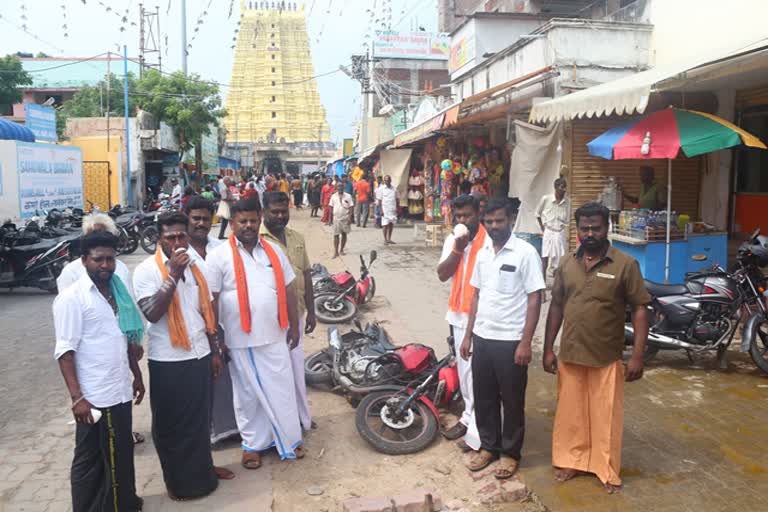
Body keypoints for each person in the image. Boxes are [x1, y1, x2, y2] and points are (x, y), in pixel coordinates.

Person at [542, 201, 650, 494]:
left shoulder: (625, 264)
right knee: (571, 414)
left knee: (606, 416)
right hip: (571, 352)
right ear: (578, 230)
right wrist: (548, 348)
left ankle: (605, 468)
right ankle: (571, 460)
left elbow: (640, 309)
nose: (590, 233)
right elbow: (556, 306)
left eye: (596, 228)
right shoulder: (566, 263)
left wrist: (638, 355)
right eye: (585, 228)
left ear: (607, 228)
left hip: (606, 356)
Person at [133, 212, 235, 501]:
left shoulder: (196, 262)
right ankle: (179, 485)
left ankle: (205, 472)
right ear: (159, 239)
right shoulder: (146, 270)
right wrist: (173, 275)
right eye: (171, 237)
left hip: (201, 353)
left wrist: (215, 349)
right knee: (171, 426)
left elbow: (206, 309)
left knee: (201, 420)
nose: (178, 242)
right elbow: (152, 312)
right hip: (169, 360)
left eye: (182, 236)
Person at [206, 198, 304, 469]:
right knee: (248, 395)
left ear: (260, 219)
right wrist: (216, 338)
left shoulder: (273, 251)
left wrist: (294, 325)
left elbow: (289, 289)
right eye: (243, 221)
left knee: (282, 389)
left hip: (276, 334)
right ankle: (253, 445)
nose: (248, 226)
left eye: (253, 220)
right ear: (233, 223)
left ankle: (288, 439)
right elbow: (211, 299)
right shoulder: (218, 257)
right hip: (240, 339)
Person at [53, 231, 145, 512]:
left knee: (121, 455)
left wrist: (137, 375)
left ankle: (124, 504)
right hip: (94, 397)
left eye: (110, 259)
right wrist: (77, 398)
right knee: (91, 458)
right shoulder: (72, 298)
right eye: (98, 260)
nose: (105, 265)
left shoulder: (116, 291)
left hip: (118, 390)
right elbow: (65, 351)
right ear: (84, 261)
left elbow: (123, 340)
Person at [460, 199, 544, 478]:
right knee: (484, 398)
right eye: (489, 221)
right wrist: (468, 336)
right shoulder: (482, 252)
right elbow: (476, 296)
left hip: (510, 341)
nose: (494, 226)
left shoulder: (526, 253)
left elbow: (535, 299)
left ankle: (510, 453)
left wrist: (525, 342)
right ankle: (488, 447)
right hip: (482, 338)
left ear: (511, 220)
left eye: (500, 221)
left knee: (511, 400)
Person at [260, 192, 316, 431]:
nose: (281, 216)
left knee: (295, 368)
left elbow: (306, 274)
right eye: (275, 212)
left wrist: (312, 312)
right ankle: (281, 423)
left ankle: (302, 417)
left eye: (284, 211)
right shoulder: (258, 241)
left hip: (298, 314)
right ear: (265, 212)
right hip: (272, 319)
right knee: (276, 373)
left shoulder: (297, 237)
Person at [436, 194, 485, 453]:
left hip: (484, 318)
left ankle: (478, 429)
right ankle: (468, 417)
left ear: (479, 212)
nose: (463, 220)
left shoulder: (490, 240)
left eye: (468, 215)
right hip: (458, 315)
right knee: (465, 373)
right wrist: (458, 247)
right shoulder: (453, 241)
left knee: (479, 375)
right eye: (459, 217)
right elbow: (443, 274)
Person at [536, 178, 570, 279]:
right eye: (562, 187)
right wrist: (543, 229)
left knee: (560, 259)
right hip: (548, 231)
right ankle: (543, 281)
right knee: (545, 256)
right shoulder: (546, 199)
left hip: (560, 232)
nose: (564, 189)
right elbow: (537, 214)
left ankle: (557, 282)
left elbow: (567, 219)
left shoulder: (567, 202)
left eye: (565, 187)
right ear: (555, 188)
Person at [329, 181, 354, 258]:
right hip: (336, 218)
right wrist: (329, 219)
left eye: (341, 186)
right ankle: (336, 251)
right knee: (336, 235)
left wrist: (350, 217)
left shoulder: (348, 196)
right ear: (336, 187)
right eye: (338, 186)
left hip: (345, 218)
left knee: (344, 234)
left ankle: (342, 250)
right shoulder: (333, 196)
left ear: (343, 187)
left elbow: (351, 207)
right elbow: (331, 207)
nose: (340, 188)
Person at [378, 175, 398, 244]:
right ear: (384, 181)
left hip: (392, 209)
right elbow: (379, 200)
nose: (387, 181)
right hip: (385, 209)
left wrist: (397, 208)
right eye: (386, 180)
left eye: (388, 180)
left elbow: (397, 199)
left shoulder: (394, 189)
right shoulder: (381, 189)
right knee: (385, 224)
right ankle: (385, 239)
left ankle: (389, 238)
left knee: (391, 224)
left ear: (390, 180)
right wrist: (381, 210)